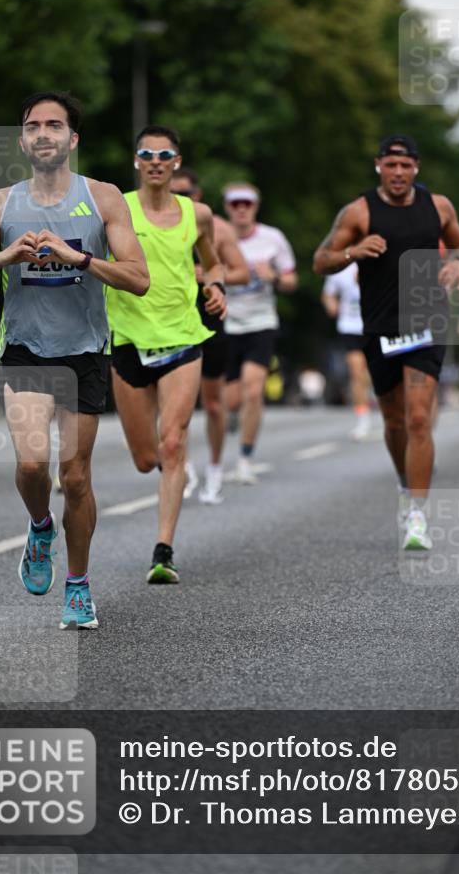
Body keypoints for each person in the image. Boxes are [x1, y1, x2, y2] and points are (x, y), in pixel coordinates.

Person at [0, 91, 149, 629]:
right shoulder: (2, 204)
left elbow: (138, 278)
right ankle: (40, 527)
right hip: (26, 349)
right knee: (33, 465)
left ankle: (78, 585)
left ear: (72, 139)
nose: (43, 133)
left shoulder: (103, 198)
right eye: (33, 126)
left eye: (54, 125)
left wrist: (77, 257)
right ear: (22, 140)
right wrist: (4, 256)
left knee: (76, 478)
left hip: (85, 351)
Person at [313, 134, 459, 551]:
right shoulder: (359, 211)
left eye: (405, 165)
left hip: (427, 323)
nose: (398, 172)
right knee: (395, 421)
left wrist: (457, 265)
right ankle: (405, 486)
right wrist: (354, 252)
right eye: (390, 165)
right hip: (380, 327)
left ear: (416, 167)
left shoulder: (438, 206)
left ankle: (417, 514)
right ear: (378, 166)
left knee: (418, 417)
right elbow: (320, 261)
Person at [105, 126, 226, 584]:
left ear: (176, 162)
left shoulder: (198, 214)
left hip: (182, 338)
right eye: (147, 154)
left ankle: (163, 551)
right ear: (136, 160)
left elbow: (213, 263)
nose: (155, 161)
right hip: (129, 340)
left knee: (172, 442)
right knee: (145, 457)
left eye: (164, 155)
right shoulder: (115, 208)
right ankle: (169, 470)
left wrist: (215, 286)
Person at [169, 167, 249, 504]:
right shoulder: (153, 225)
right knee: (177, 405)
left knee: (214, 404)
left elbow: (242, 272)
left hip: (209, 319)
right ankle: (182, 466)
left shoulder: (217, 228)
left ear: (197, 196)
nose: (178, 199)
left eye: (185, 194)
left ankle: (215, 469)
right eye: (174, 193)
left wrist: (209, 275)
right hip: (170, 322)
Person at [222, 181, 298, 484]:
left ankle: (245, 459)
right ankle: (232, 416)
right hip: (226, 323)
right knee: (231, 400)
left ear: (255, 206)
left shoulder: (272, 238)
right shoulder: (216, 235)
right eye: (235, 204)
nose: (241, 209)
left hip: (261, 323)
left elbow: (292, 281)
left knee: (253, 392)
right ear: (227, 207)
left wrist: (275, 276)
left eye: (247, 204)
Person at [321, 263, 374, 440]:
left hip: (376, 326)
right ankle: (363, 419)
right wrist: (331, 305)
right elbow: (328, 294)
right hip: (350, 327)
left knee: (374, 372)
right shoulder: (341, 265)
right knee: (356, 373)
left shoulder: (378, 260)